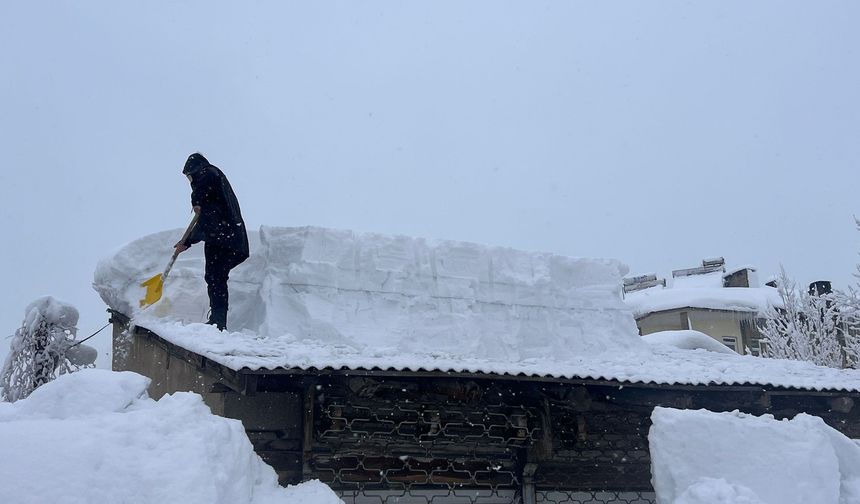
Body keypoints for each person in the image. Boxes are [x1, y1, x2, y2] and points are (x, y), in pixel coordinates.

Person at [174, 153, 249, 331]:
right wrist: (188, 241)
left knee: (215, 277)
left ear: (194, 171)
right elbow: (207, 219)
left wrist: (188, 240)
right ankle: (218, 319)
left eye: (189, 177)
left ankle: (218, 321)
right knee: (216, 277)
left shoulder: (208, 174)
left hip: (224, 240)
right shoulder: (215, 184)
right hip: (230, 239)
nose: (190, 181)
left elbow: (208, 220)